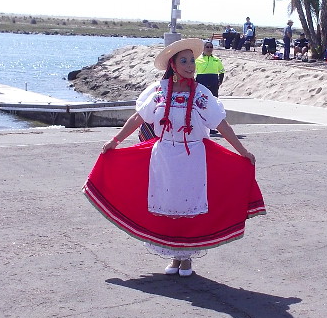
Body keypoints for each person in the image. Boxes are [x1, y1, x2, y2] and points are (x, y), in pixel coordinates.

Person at [83, 38, 266, 277]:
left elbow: (221, 124)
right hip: (165, 157)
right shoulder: (159, 91)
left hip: (193, 158)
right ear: (173, 64)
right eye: (184, 61)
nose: (191, 65)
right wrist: (115, 141)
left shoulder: (201, 94)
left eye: (192, 61)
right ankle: (175, 255)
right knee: (168, 207)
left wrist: (242, 152)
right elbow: (138, 119)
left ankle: (186, 257)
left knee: (188, 206)